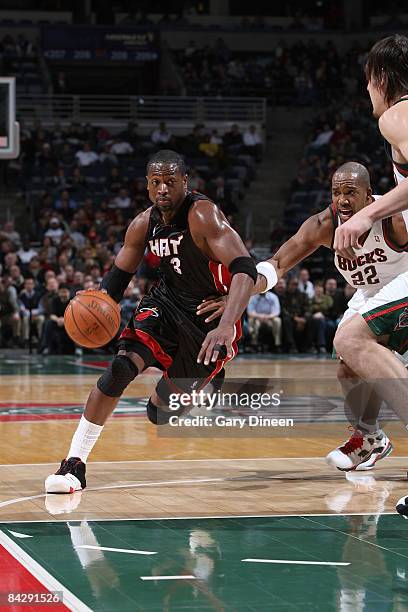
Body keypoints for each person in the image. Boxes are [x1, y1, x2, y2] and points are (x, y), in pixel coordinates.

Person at [45, 149, 256, 494]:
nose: (162, 189)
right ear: (146, 185)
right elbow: (115, 281)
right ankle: (74, 465)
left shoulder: (203, 215)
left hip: (207, 318)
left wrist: (227, 322)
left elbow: (245, 269)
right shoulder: (144, 223)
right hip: (164, 305)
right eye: (155, 182)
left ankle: (208, 382)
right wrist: (95, 311)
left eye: (170, 182)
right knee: (120, 369)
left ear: (185, 183)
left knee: (160, 414)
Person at [198, 161, 406, 471]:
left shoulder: (392, 219)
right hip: (371, 295)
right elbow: (277, 264)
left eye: (351, 192)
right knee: (349, 370)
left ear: (368, 194)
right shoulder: (323, 224)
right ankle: (370, 440)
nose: (343, 200)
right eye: (337, 192)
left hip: (403, 284)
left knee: (349, 339)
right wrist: (236, 294)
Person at [328, 35, 408, 517]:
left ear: (380, 78)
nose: (367, 92)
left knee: (352, 341)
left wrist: (363, 216)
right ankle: (369, 437)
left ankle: (373, 437)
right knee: (352, 353)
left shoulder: (396, 114)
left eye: (367, 83)